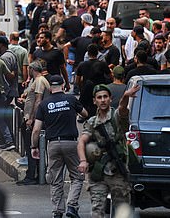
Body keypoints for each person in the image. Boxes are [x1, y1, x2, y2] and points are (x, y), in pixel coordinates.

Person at [77, 83, 139, 218]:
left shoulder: (116, 117)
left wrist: (126, 96)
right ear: (94, 101)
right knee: (97, 211)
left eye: (105, 97)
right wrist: (83, 161)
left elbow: (123, 108)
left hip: (118, 173)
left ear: (110, 99)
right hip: (98, 174)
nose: (103, 100)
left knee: (123, 212)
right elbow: (82, 141)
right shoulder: (92, 122)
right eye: (99, 97)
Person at [31, 75, 88, 218]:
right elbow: (85, 114)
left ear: (50, 87)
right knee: (77, 177)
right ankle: (71, 205)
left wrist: (34, 146)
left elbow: (36, 129)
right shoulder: (71, 99)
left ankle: (57, 211)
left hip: (53, 144)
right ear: (63, 85)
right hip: (71, 143)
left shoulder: (44, 104)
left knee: (55, 179)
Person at [16, 60, 50, 186]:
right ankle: (35, 173)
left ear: (32, 69)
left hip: (35, 120)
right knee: (33, 148)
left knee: (32, 148)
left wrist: (31, 118)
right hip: (33, 118)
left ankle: (32, 175)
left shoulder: (40, 81)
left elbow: (38, 100)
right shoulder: (37, 81)